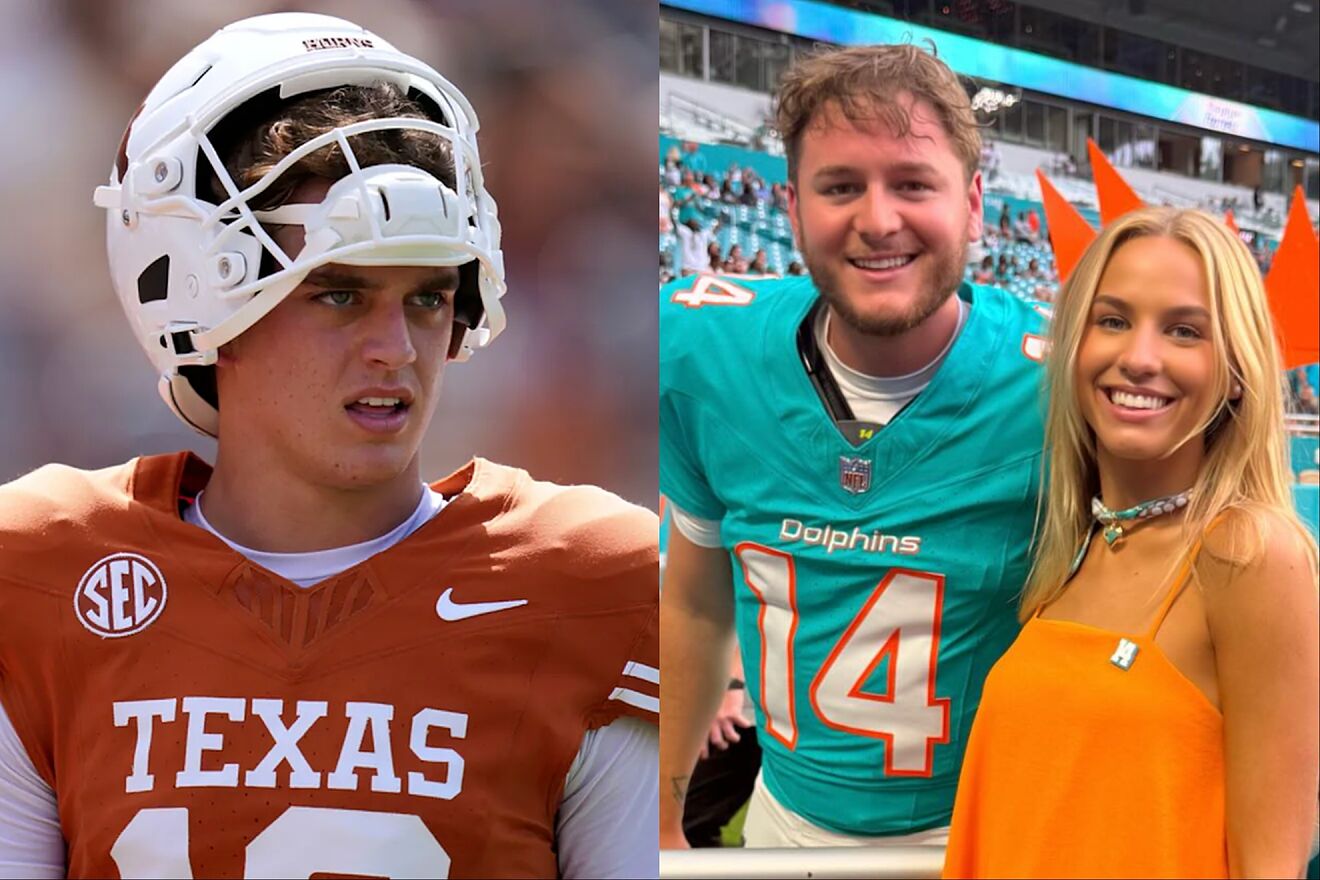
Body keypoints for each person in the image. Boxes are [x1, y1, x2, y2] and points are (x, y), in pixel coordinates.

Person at [0, 13, 658, 878]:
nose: (396, 346)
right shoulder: (44, 572)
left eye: (427, 297)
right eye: (339, 296)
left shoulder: (590, 585)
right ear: (202, 302)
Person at [660, 43, 1048, 850]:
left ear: (974, 205)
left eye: (913, 183)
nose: (878, 220)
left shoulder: (1058, 382)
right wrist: (660, 805)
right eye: (841, 186)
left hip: (987, 834)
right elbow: (697, 600)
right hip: (781, 823)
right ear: (792, 207)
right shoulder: (701, 347)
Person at [944, 207, 1319, 878]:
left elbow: (1271, 865)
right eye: (1112, 320)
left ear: (1237, 368)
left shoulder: (1249, 555)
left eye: (1183, 331)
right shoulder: (1071, 546)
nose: (1139, 358)